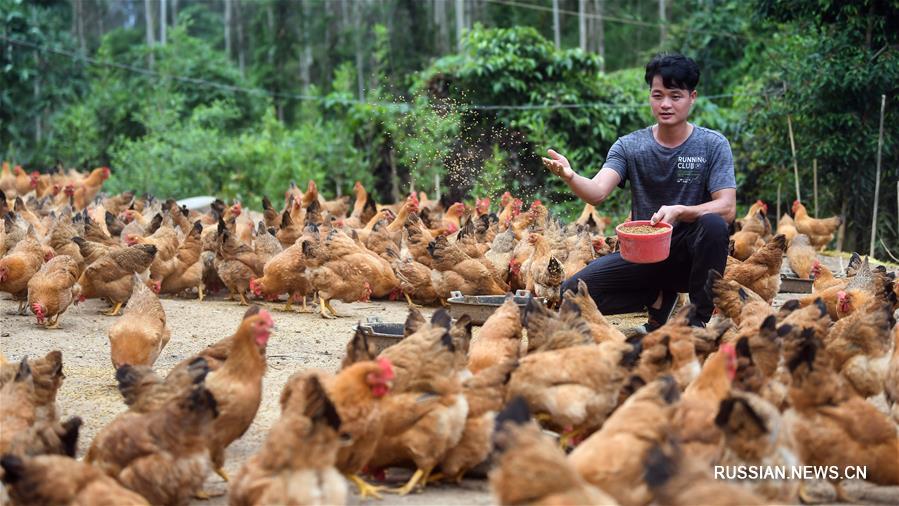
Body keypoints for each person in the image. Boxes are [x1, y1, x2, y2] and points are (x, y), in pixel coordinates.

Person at [543, 53, 736, 333]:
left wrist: (681, 211)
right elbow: (597, 192)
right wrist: (571, 176)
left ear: (692, 97)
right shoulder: (630, 146)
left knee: (714, 224)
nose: (666, 104)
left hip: (692, 255)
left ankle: (696, 320)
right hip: (646, 254)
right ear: (649, 96)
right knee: (570, 295)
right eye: (658, 95)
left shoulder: (712, 144)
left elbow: (727, 207)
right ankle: (656, 297)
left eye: (675, 95)